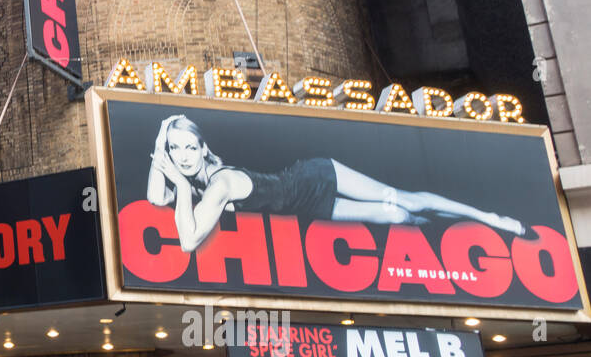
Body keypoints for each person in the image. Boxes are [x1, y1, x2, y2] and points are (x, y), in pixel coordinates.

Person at [147, 114, 525, 253]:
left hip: (311, 176)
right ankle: (451, 228)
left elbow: (188, 241)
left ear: (202, 147)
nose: (182, 156)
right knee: (394, 217)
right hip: (305, 206)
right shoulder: (194, 179)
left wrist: (180, 186)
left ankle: (490, 218)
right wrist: (160, 142)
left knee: (403, 198)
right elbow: (153, 196)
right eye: (175, 149)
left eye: (189, 147)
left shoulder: (218, 185)